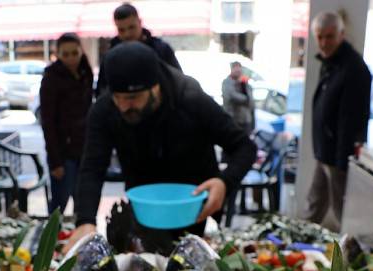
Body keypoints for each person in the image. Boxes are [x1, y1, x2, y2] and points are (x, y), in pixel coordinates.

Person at [64, 42, 256, 252]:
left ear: (155, 87)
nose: (124, 107)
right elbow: (92, 167)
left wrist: (224, 182)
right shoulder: (105, 109)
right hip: (144, 210)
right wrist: (85, 220)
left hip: (193, 208)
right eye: (117, 98)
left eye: (132, 98)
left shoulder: (190, 98)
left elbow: (245, 147)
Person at [305, 11, 371, 232]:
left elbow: (350, 120)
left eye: (330, 36)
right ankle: (298, 247)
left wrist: (343, 162)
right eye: (320, 36)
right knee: (314, 205)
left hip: (338, 156)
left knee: (344, 214)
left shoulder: (353, 69)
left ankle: (349, 259)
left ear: (342, 34)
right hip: (325, 152)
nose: (324, 42)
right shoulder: (331, 63)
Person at [39, 33, 94, 214]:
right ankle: (53, 241)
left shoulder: (86, 72)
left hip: (83, 150)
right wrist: (55, 161)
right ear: (58, 54)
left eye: (74, 53)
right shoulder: (51, 77)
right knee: (58, 207)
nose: (71, 58)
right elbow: (47, 122)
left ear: (81, 51)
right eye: (65, 54)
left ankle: (82, 240)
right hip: (62, 154)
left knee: (84, 203)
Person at [95, 2, 182, 97]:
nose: (127, 34)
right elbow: (102, 91)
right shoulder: (110, 56)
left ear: (140, 22)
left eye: (131, 27)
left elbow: (178, 83)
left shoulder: (161, 49)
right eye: (121, 30)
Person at [221, 61, 255, 136]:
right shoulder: (227, 82)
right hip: (233, 119)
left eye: (239, 70)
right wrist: (246, 99)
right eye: (236, 70)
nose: (238, 72)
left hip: (245, 120)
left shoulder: (245, 84)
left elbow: (251, 100)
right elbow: (232, 96)